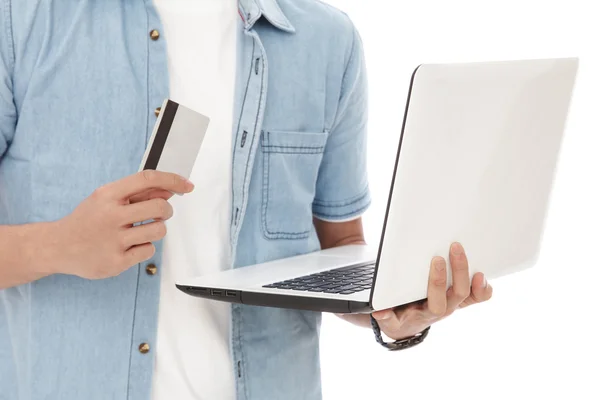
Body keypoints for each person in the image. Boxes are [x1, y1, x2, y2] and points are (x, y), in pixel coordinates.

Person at [0, 0, 493, 399]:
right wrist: (58, 246)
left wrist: (396, 310)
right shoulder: (22, 19)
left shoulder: (328, 39)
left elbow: (341, 247)